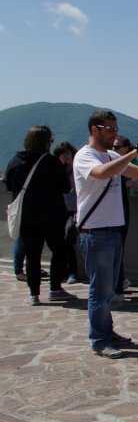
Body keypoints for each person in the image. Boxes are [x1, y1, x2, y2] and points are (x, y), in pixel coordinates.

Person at [74, 110, 138, 358]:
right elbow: (101, 173)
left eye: (115, 128)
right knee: (99, 291)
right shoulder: (85, 156)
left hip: (113, 230)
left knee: (108, 289)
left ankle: (107, 332)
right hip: (95, 232)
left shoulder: (112, 155)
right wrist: (133, 153)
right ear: (95, 129)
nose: (114, 133)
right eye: (109, 129)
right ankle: (99, 340)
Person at [4, 126, 76, 305]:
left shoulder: (16, 159)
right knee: (59, 250)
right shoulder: (50, 162)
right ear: (46, 142)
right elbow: (65, 187)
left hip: (27, 216)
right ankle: (55, 288)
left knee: (32, 254)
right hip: (52, 214)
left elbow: (9, 184)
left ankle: (34, 294)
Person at [111, 136, 138, 299]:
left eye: (117, 147)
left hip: (121, 207)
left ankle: (118, 285)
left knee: (117, 248)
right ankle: (118, 283)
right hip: (116, 208)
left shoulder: (126, 164)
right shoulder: (114, 162)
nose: (114, 149)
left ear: (126, 148)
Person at [54, 142, 80, 284]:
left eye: (68, 153)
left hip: (74, 208)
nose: (66, 156)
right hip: (60, 208)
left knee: (69, 240)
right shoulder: (57, 170)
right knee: (60, 241)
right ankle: (63, 271)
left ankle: (72, 272)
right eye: (63, 154)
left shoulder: (78, 167)